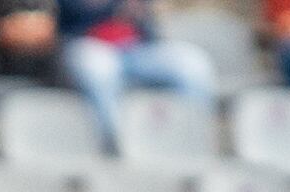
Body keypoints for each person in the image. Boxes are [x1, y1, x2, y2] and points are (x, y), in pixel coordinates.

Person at [56, 0, 214, 144]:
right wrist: (110, 7)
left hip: (136, 48)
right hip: (88, 44)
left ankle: (191, 140)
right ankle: (115, 145)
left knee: (192, 64)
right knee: (99, 67)